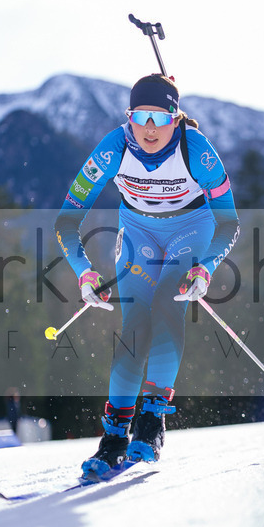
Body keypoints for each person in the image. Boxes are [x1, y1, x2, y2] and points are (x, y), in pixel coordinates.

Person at [55, 74, 240, 478]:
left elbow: (229, 223)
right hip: (137, 232)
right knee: (135, 324)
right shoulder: (113, 148)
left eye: (161, 117)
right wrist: (83, 272)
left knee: (165, 308)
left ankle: (151, 423)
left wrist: (205, 268)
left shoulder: (198, 152)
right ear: (129, 118)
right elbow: (67, 220)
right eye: (142, 116)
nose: (151, 128)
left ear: (176, 118)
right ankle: (113, 439)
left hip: (190, 229)